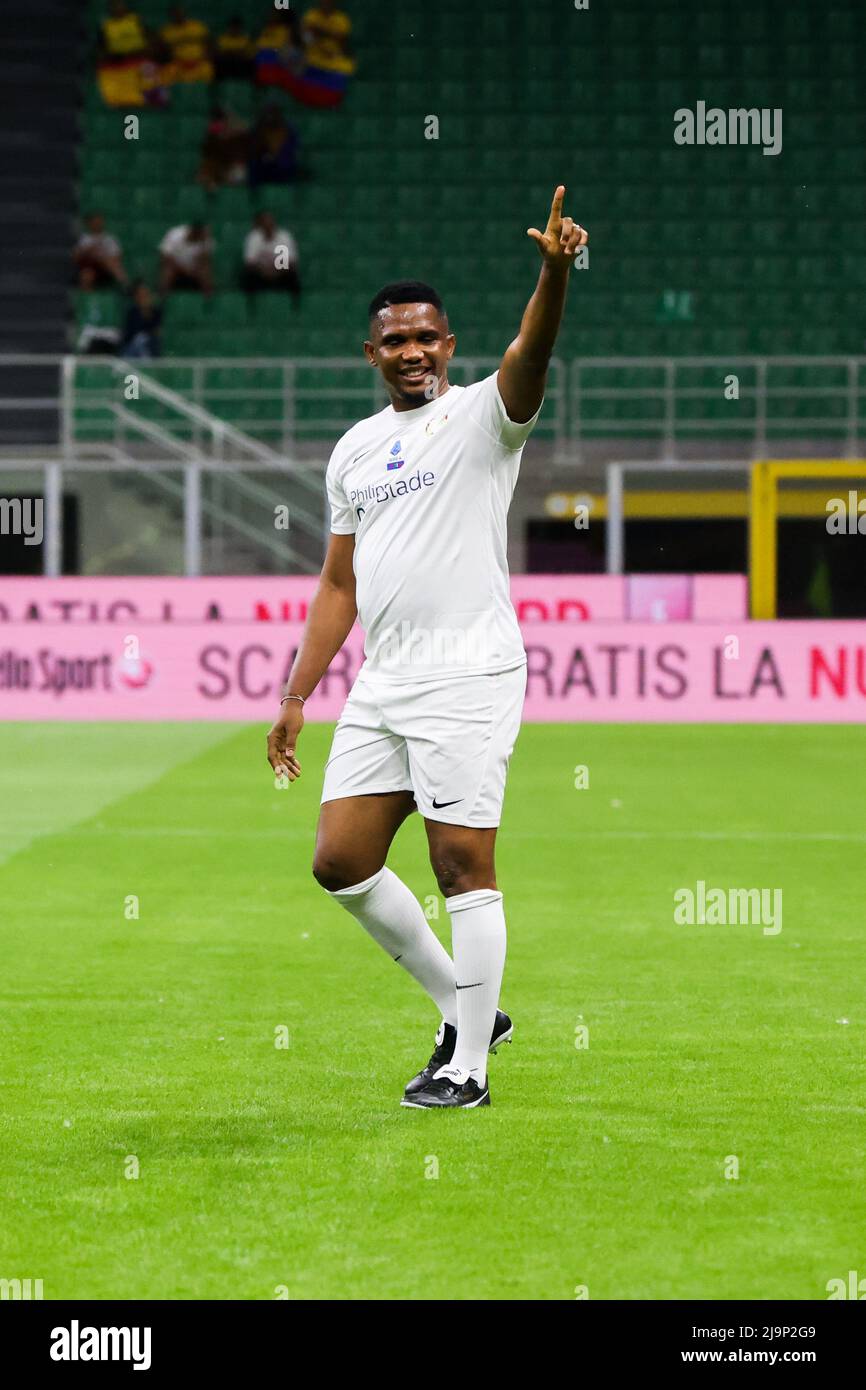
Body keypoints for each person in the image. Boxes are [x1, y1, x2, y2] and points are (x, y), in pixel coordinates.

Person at [266, 188, 589, 1110]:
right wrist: (296, 695)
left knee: (460, 865)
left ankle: (467, 1067)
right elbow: (339, 584)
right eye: (395, 340)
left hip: (469, 670)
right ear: (372, 354)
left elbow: (532, 356)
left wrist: (553, 273)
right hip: (385, 680)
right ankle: (466, 1005)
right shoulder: (356, 450)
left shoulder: (486, 415)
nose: (413, 351)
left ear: (449, 346)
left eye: (427, 338)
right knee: (340, 859)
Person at [242, 211, 300, 299]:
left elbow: (290, 263)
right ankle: (250, 308)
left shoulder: (284, 237)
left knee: (293, 278)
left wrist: (275, 272)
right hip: (260, 274)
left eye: (270, 222)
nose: (267, 225)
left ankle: (295, 308)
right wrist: (265, 271)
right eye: (265, 222)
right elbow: (250, 263)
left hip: (280, 274)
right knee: (249, 278)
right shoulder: (254, 238)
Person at [198, 106, 249, 191]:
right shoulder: (213, 134)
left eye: (223, 119)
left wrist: (231, 118)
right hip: (219, 167)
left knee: (239, 175)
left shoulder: (236, 136)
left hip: (232, 169)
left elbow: (244, 129)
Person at [247, 106, 301, 187]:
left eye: (272, 114)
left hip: (282, 166)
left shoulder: (288, 130)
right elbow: (253, 149)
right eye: (267, 114)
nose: (269, 117)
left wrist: (275, 156)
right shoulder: (258, 130)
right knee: (253, 169)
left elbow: (290, 151)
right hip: (262, 166)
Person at [160, 5, 213, 83]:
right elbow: (164, 52)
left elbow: (209, 43)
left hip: (199, 63)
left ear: (184, 13)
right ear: (171, 16)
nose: (178, 16)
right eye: (175, 14)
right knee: (167, 73)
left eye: (180, 13)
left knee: (208, 69)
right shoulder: (166, 31)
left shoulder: (197, 26)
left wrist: (205, 57)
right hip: (178, 65)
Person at [158, 221, 214, 296]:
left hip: (194, 269)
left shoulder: (205, 239)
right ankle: (161, 298)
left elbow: (205, 260)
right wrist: (182, 269)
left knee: (205, 270)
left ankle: (209, 299)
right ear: (194, 232)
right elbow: (165, 257)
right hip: (176, 267)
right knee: (167, 270)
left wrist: (204, 244)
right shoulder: (175, 234)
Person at [73, 213, 128, 289]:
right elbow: (76, 257)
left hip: (106, 268)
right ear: (89, 224)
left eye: (99, 222)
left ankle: (125, 286)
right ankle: (86, 298)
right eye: (94, 222)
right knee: (86, 275)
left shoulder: (110, 239)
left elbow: (117, 257)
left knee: (111, 262)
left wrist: (101, 258)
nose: (97, 224)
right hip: (90, 266)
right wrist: (89, 251)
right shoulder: (84, 239)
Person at [302, 1, 355, 74]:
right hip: (314, 56)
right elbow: (306, 39)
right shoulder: (311, 15)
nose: (326, 4)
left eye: (329, 2)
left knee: (347, 66)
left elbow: (343, 41)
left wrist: (322, 32)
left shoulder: (341, 19)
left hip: (333, 58)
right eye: (324, 2)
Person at [120, 282, 163, 358]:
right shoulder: (132, 313)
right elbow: (131, 335)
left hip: (150, 346)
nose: (144, 298)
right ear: (136, 298)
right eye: (140, 295)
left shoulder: (157, 313)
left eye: (146, 295)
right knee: (139, 339)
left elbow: (157, 332)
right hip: (133, 348)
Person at [214, 15, 254, 80]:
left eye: (236, 27)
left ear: (240, 28)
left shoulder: (245, 39)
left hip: (240, 65)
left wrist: (233, 53)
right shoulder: (223, 39)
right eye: (232, 27)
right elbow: (219, 53)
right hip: (226, 65)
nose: (234, 29)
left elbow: (249, 55)